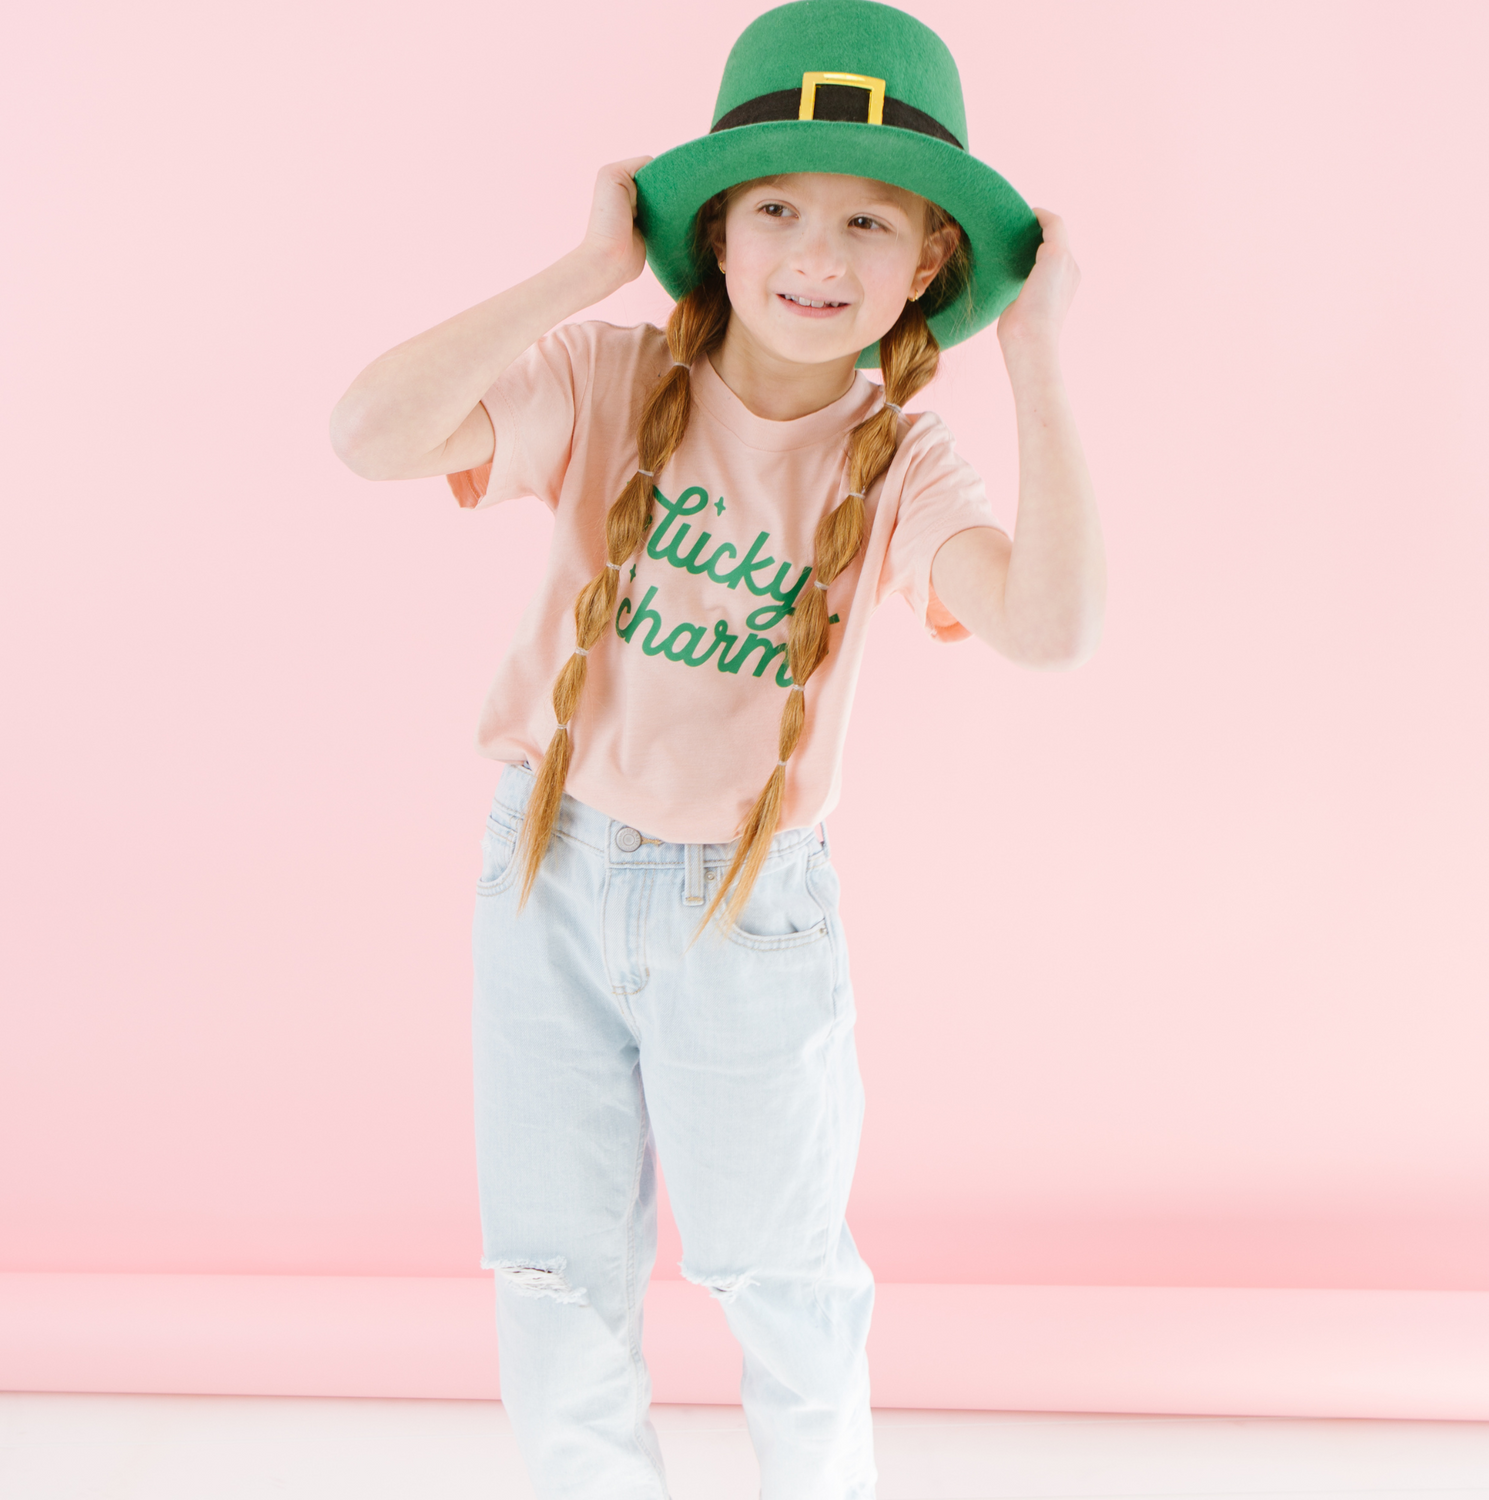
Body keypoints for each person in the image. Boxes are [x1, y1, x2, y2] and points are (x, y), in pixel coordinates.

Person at [329, 1, 1104, 1494]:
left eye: (871, 220)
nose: (820, 253)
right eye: (777, 209)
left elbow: (1052, 627)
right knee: (551, 1272)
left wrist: (1039, 356)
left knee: (780, 1275)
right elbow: (371, 433)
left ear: (928, 264)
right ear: (718, 237)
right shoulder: (605, 382)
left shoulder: (901, 464)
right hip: (543, 870)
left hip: (745, 912)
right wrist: (588, 267)